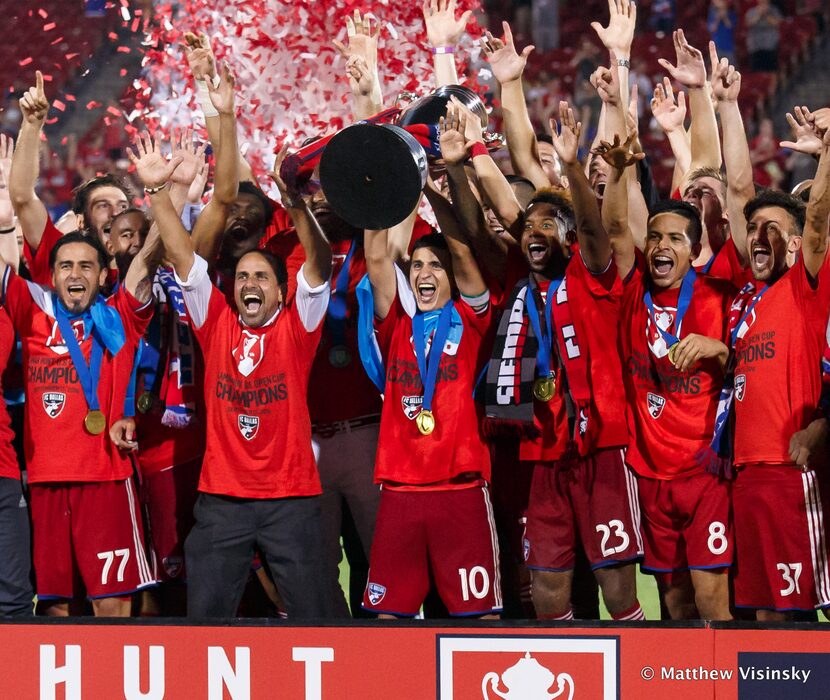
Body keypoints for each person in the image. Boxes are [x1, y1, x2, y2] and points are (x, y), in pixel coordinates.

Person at [131, 69, 336, 617]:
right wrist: (157, 192)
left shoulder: (299, 327)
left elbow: (318, 263)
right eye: (242, 276)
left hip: (290, 499)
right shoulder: (215, 319)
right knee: (207, 620)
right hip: (222, 500)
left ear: (279, 290)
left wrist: (296, 205)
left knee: (318, 620)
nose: (248, 283)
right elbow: (181, 255)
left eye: (261, 278)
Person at [485, 104, 645, 622]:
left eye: (548, 223)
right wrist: (471, 162)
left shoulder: (592, 276)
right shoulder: (521, 291)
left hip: (600, 447)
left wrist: (574, 168)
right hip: (542, 451)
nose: (534, 231)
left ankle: (637, 678)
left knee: (617, 589)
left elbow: (601, 230)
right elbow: (506, 213)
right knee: (547, 590)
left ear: (571, 237)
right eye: (528, 225)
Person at [358, 106, 500, 619]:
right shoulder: (397, 323)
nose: (424, 273)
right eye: (417, 265)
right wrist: (390, 170)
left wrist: (432, 189)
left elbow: (465, 257)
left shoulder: (474, 318)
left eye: (434, 266)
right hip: (399, 487)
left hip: (459, 487)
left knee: (477, 617)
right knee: (387, 620)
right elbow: (378, 258)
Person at [603, 135, 736, 619]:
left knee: (711, 597)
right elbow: (617, 227)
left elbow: (747, 370)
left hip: (703, 472)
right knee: (673, 600)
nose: (661, 246)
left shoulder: (717, 296)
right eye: (655, 237)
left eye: (676, 238)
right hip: (650, 474)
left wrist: (718, 348)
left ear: (695, 249)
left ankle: (721, 690)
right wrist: (618, 174)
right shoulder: (633, 289)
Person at [0, 225, 159, 616]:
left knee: (113, 603)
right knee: (55, 605)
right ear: (51, 277)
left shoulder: (120, 314)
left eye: (87, 266)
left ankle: (114, 678)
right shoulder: (33, 312)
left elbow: (148, 259)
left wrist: (163, 192)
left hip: (105, 478)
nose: (75, 274)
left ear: (104, 275)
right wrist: (5, 210)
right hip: (45, 483)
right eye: (66, 266)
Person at [745, 0, 782, 72]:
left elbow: (777, 23)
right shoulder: (751, 11)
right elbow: (748, 24)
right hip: (755, 46)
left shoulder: (774, 10)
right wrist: (759, 14)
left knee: (771, 70)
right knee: (757, 71)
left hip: (770, 45)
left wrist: (766, 14)